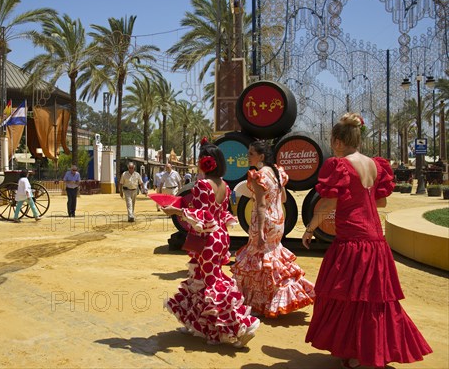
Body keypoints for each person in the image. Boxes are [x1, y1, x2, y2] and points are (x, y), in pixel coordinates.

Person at [302, 113, 431, 369]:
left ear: (338, 141)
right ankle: (369, 350)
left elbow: (329, 202)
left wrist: (310, 228)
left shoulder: (339, 165)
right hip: (376, 239)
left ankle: (355, 353)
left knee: (347, 295)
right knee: (374, 298)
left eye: (332, 141)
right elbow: (380, 201)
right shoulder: (375, 165)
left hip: (352, 239)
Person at [161, 137, 260, 347]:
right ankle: (195, 324)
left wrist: (175, 210)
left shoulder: (203, 185)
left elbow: (200, 215)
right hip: (220, 237)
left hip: (206, 240)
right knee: (199, 278)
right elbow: (220, 214)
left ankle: (240, 327)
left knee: (210, 283)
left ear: (206, 161)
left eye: (200, 159)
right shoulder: (223, 184)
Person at [231, 140, 315, 318]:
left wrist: (260, 231)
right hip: (278, 220)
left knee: (257, 260)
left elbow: (260, 206)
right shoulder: (276, 172)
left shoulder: (257, 176)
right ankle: (274, 297)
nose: (248, 157)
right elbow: (283, 198)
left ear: (261, 156)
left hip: (264, 222)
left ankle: (257, 302)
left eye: (251, 154)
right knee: (273, 257)